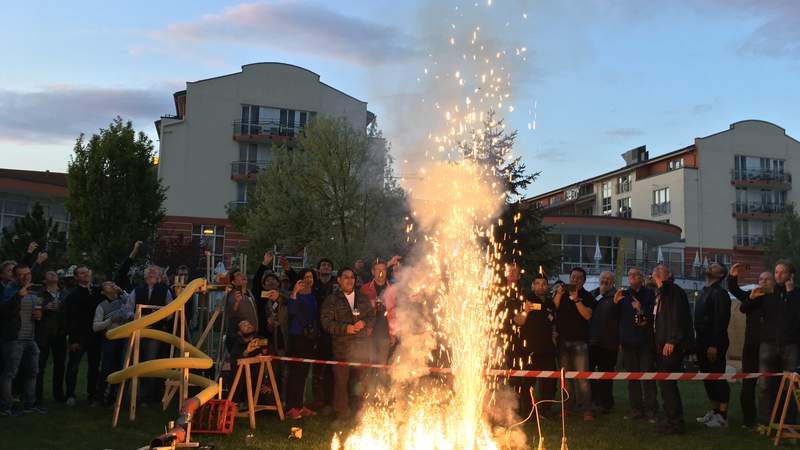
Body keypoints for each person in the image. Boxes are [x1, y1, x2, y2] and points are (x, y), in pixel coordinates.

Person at [320, 267, 375, 421]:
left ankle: (361, 412)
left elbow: (372, 316)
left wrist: (364, 322)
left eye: (352, 277)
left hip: (362, 347)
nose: (350, 280)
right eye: (346, 277)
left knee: (361, 381)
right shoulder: (332, 300)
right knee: (341, 382)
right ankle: (341, 412)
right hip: (341, 347)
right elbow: (325, 322)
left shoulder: (362, 298)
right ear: (339, 280)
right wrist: (345, 328)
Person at [753, 260, 800, 427]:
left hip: (791, 345)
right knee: (765, 385)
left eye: (782, 272)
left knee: (790, 389)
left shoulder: (796, 294)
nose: (778, 275)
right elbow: (745, 307)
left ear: (790, 275)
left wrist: (791, 292)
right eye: (776, 271)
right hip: (768, 344)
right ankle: (765, 422)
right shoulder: (768, 293)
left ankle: (788, 423)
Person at [728, 263, 771, 429]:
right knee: (748, 384)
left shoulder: (776, 298)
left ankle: (769, 418)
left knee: (769, 384)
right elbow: (736, 292)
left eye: (767, 279)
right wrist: (733, 276)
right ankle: (749, 420)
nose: (764, 281)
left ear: (772, 282)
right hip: (752, 345)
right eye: (761, 279)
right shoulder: (753, 295)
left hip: (770, 346)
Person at [0, 264, 46, 416]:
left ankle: (29, 404)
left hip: (30, 337)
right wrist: (19, 295)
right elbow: (4, 311)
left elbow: (32, 312)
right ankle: (6, 407)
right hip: (14, 339)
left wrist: (38, 316)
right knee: (10, 373)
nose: (26, 276)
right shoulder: (10, 290)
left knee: (33, 371)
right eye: (21, 274)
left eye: (28, 273)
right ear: (15, 277)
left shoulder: (32, 291)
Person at [652, 264, 691, 435]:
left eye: (661, 269)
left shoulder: (673, 291)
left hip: (670, 346)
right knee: (665, 385)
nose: (657, 271)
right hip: (661, 346)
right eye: (656, 269)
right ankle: (671, 420)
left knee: (668, 385)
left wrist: (672, 340)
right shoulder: (661, 293)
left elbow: (678, 316)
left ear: (669, 275)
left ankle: (676, 423)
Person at [553, 267, 596, 421]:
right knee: (566, 378)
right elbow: (553, 308)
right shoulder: (562, 293)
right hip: (563, 342)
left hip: (580, 342)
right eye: (573, 277)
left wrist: (576, 299)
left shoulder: (587, 296)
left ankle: (586, 409)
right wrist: (558, 293)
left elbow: (587, 315)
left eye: (578, 278)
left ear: (583, 281)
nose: (575, 280)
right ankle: (567, 407)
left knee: (582, 378)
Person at [512, 272, 557, 419]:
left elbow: (553, 323)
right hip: (529, 350)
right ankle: (529, 411)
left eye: (544, 284)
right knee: (528, 382)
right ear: (532, 285)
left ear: (547, 286)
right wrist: (525, 311)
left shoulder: (550, 303)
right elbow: (518, 321)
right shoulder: (525, 300)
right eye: (537, 283)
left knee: (550, 380)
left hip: (548, 349)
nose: (541, 286)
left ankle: (546, 410)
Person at [128, 265, 173, 404]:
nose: (151, 273)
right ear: (144, 275)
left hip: (155, 332)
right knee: (136, 361)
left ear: (159, 276)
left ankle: (149, 396)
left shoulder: (165, 290)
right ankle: (137, 394)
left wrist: (158, 318)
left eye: (154, 271)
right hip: (138, 331)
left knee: (150, 362)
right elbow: (128, 309)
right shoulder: (137, 290)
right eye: (149, 271)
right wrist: (136, 318)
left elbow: (170, 311)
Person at [694, 262, 732, 428]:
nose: (710, 266)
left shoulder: (720, 293)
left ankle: (723, 416)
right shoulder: (704, 292)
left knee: (718, 377)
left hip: (714, 343)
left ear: (721, 274)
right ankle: (715, 412)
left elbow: (721, 321)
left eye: (715, 266)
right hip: (702, 342)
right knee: (708, 378)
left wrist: (714, 345)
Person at [618, 268, 657, 422]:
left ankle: (651, 410)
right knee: (632, 378)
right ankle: (636, 409)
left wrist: (641, 309)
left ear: (641, 278)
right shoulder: (623, 295)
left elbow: (654, 315)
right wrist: (615, 303)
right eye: (629, 275)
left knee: (647, 376)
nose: (632, 277)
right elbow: (616, 317)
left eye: (635, 275)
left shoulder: (649, 294)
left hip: (645, 342)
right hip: (628, 342)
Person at [64, 266, 102, 406]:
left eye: (87, 271)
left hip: (96, 336)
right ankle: (70, 395)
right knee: (73, 366)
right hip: (79, 336)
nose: (86, 274)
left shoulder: (98, 291)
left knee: (94, 366)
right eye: (82, 273)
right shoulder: (73, 295)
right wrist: (73, 339)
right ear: (76, 277)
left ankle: (92, 395)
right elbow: (70, 318)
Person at [285, 269, 320, 419]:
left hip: (310, 337)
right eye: (305, 277)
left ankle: (300, 405)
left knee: (304, 373)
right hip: (298, 335)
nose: (308, 279)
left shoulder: (314, 294)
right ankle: (291, 406)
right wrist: (294, 292)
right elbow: (291, 311)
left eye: (310, 277)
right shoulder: (296, 294)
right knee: (295, 372)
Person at [93, 281, 132, 405]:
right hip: (110, 340)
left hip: (125, 339)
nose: (112, 285)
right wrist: (110, 321)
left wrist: (121, 291)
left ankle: (116, 398)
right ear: (103, 291)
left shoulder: (124, 300)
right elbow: (95, 326)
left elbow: (132, 300)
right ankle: (101, 397)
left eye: (113, 283)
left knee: (121, 368)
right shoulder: (102, 306)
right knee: (106, 368)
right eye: (107, 284)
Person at [589, 271, 621, 414]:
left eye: (608, 279)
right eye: (603, 278)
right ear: (599, 280)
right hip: (591, 342)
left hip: (608, 344)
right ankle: (595, 399)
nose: (605, 281)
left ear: (612, 282)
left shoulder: (617, 297)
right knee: (589, 374)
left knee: (606, 375)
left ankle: (606, 403)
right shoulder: (592, 294)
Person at [35, 270, 67, 405]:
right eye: (49, 273)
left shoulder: (65, 294)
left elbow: (70, 311)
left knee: (60, 366)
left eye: (54, 273)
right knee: (40, 366)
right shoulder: (40, 293)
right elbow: (34, 310)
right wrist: (44, 307)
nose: (53, 274)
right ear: (44, 280)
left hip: (60, 333)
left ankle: (58, 395)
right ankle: (37, 396)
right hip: (43, 333)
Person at [360, 259, 397, 366]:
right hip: (369, 333)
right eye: (378, 270)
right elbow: (359, 309)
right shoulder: (365, 288)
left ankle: (380, 383)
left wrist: (393, 333)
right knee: (368, 367)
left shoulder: (393, 289)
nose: (381, 272)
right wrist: (370, 305)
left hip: (386, 334)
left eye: (383, 270)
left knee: (382, 367)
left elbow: (397, 314)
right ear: (372, 272)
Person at [312, 258, 336, 412]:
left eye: (328, 265)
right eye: (323, 265)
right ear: (318, 269)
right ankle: (318, 399)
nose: (326, 267)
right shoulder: (313, 285)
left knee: (331, 368)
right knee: (317, 367)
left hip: (332, 331)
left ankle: (329, 399)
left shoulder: (336, 286)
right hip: (316, 330)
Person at [227, 320, 269, 405]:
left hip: (258, 380)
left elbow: (269, 352)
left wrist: (264, 352)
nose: (248, 325)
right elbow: (235, 361)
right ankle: (237, 403)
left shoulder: (260, 340)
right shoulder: (237, 344)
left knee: (268, 399)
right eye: (244, 325)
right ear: (239, 332)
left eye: (249, 323)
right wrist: (247, 351)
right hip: (243, 383)